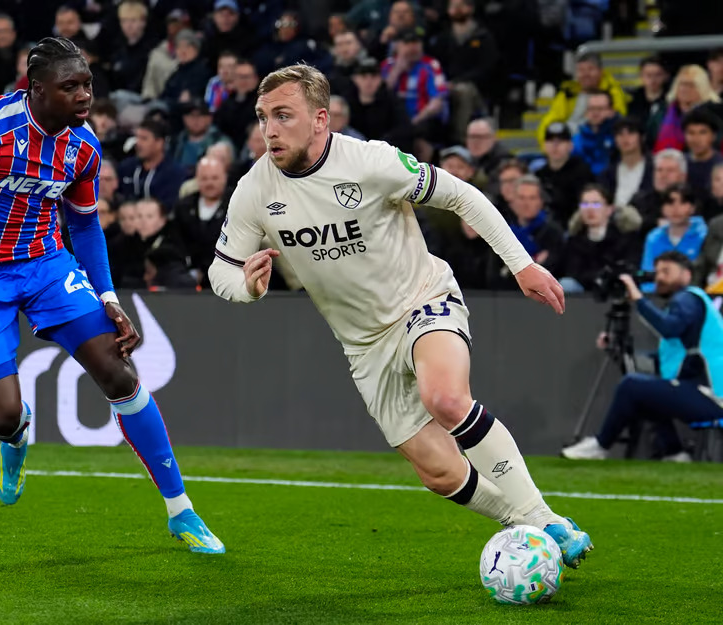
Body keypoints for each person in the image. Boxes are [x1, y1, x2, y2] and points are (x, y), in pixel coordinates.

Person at [209, 64, 593, 568]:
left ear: (321, 119)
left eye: (284, 115)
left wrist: (521, 264)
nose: (270, 130)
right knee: (439, 473)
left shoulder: (371, 162)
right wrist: (247, 287)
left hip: (422, 300)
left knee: (445, 398)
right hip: (364, 346)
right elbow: (221, 271)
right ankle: (524, 522)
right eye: (263, 117)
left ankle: (544, 520)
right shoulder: (255, 189)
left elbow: (462, 195)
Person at [0, 37, 223, 554]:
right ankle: (16, 437)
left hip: (45, 265)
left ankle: (182, 510)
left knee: (119, 370)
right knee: (0, 415)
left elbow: (83, 225)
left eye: (87, 84)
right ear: (36, 89)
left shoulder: (84, 146)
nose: (84, 96)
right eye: (70, 87)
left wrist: (108, 297)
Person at [561, 251, 723, 462]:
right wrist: (617, 347)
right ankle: (675, 453)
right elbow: (666, 359)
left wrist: (638, 299)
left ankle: (601, 445)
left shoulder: (688, 298)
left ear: (687, 275)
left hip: (713, 396)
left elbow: (669, 328)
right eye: (657, 272)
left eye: (667, 271)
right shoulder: (691, 304)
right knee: (645, 392)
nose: (660, 277)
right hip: (705, 391)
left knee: (632, 386)